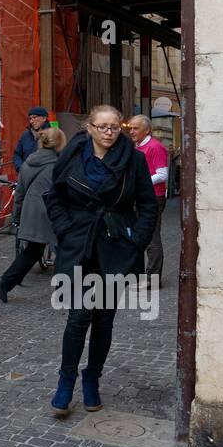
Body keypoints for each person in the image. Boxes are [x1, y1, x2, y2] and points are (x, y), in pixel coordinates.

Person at [42, 104, 158, 416]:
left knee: (104, 319)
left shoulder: (134, 159)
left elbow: (148, 205)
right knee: (78, 316)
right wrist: (64, 229)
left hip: (115, 247)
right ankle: (65, 382)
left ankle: (91, 377)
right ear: (90, 128)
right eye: (102, 126)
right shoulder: (72, 154)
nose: (108, 132)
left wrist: (136, 242)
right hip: (79, 244)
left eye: (114, 127)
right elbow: (54, 196)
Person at [0, 126, 66, 302]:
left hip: (32, 212)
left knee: (32, 251)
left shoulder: (28, 162)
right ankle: (64, 292)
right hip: (53, 213)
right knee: (64, 251)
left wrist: (17, 218)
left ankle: (6, 282)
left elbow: (20, 192)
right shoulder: (59, 164)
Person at [128, 114, 169, 282]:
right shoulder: (137, 147)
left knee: (152, 238)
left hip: (153, 198)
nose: (131, 131)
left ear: (147, 130)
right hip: (140, 198)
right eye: (130, 128)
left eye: (135, 128)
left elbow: (162, 174)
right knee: (139, 236)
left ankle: (153, 279)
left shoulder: (155, 147)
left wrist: (140, 182)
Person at [11, 107, 51, 172]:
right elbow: (17, 154)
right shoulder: (25, 135)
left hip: (44, 177)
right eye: (30, 118)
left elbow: (58, 157)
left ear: (44, 118)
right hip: (26, 176)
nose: (31, 121)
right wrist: (20, 168)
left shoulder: (53, 135)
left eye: (34, 117)